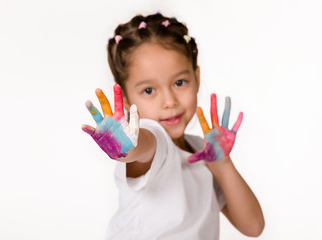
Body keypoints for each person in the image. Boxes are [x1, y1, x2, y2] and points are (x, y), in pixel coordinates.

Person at [82, 12, 264, 239]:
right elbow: (145, 146)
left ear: (196, 78)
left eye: (180, 82)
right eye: (149, 90)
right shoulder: (155, 138)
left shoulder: (202, 151)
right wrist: (127, 149)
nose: (169, 101)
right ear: (127, 100)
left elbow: (253, 227)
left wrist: (223, 164)